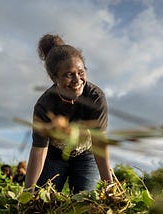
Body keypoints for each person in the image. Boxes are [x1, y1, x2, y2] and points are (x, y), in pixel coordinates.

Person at [25, 34, 113, 194]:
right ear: (54, 78)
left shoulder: (95, 98)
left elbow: (99, 142)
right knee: (43, 201)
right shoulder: (44, 105)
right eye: (68, 74)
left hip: (86, 154)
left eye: (81, 72)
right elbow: (39, 150)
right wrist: (28, 191)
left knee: (84, 202)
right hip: (54, 156)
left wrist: (110, 186)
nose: (77, 80)